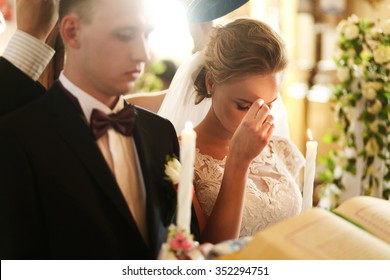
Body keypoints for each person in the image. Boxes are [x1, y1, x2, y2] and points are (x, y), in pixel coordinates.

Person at [0, 0, 199, 259]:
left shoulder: (161, 133)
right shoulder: (18, 138)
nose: (143, 53)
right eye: (125, 35)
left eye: (147, 35)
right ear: (72, 32)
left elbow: (183, 234)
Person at [174, 18, 305, 244]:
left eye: (269, 105)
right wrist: (238, 161)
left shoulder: (281, 149)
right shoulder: (180, 156)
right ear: (211, 83)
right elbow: (209, 254)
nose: (256, 120)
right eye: (244, 106)